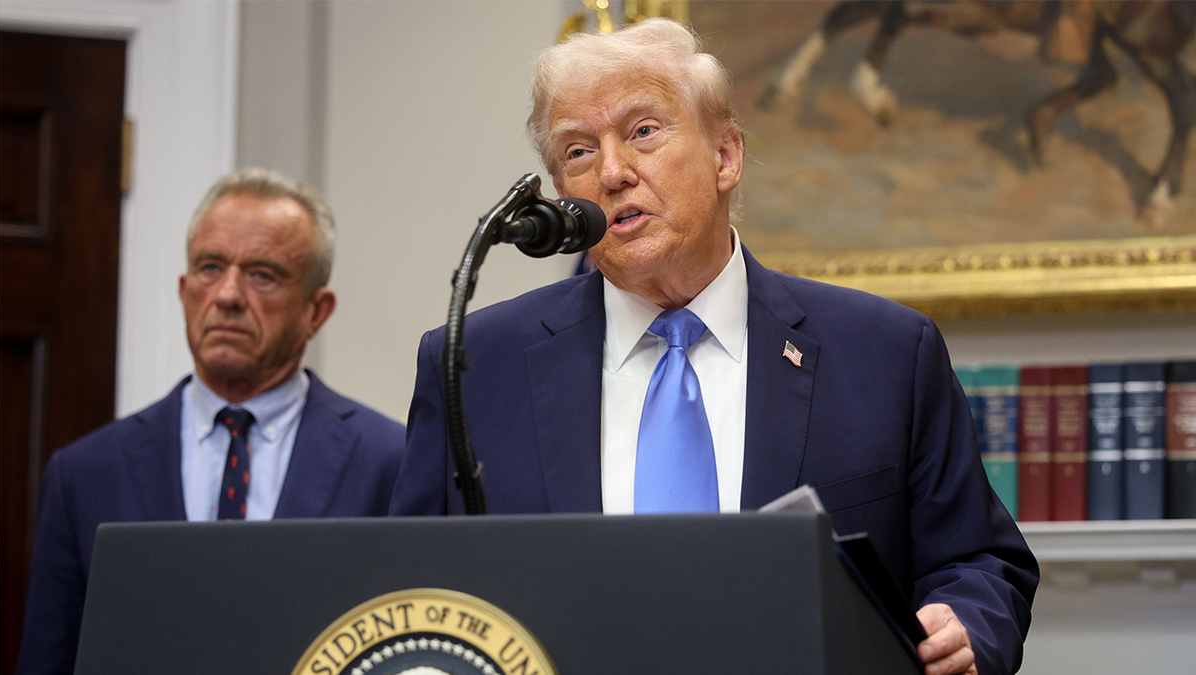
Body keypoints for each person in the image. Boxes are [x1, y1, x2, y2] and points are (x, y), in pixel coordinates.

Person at [391, 18, 1036, 675]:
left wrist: (966, 623)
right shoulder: (476, 367)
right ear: (562, 198)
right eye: (578, 151)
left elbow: (980, 562)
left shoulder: (887, 352)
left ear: (726, 157)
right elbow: (406, 590)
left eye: (644, 131)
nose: (612, 172)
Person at [17, 168, 406, 674]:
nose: (227, 296)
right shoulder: (85, 474)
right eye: (209, 268)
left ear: (317, 311)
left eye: (262, 275)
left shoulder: (389, 463)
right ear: (184, 292)